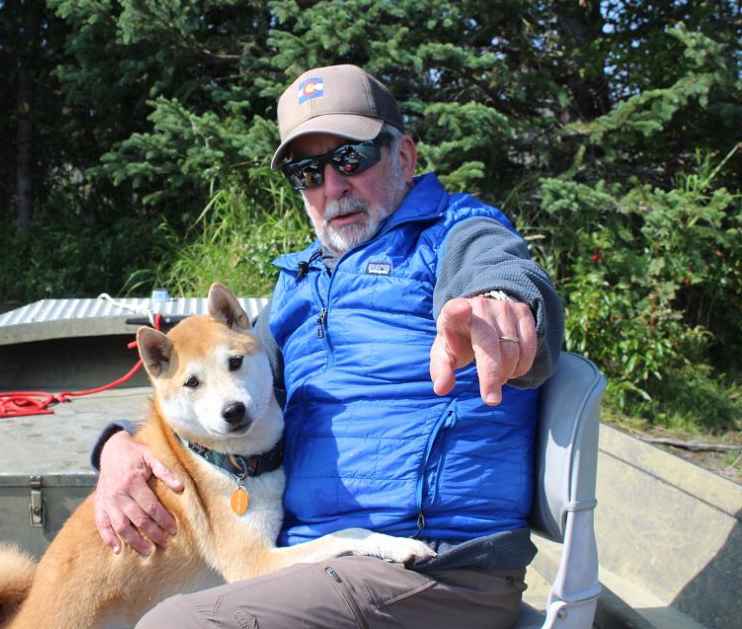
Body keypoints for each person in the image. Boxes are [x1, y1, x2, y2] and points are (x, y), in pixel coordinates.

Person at [93, 64, 564, 628]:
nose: (331, 188)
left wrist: (500, 308)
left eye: (351, 159)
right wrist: (117, 447)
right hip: (313, 560)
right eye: (307, 172)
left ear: (405, 157)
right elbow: (220, 382)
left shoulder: (456, 231)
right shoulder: (299, 283)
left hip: (435, 569)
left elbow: (504, 276)